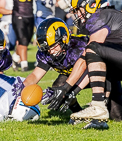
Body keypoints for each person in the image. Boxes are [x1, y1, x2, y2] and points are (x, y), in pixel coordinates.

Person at [44, 0, 122, 128]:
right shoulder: (108, 16)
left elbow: (87, 57)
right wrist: (73, 91)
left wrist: (67, 88)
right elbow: (94, 64)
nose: (77, 14)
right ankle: (99, 113)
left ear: (90, 4)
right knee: (118, 117)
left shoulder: (99, 17)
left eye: (77, 10)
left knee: (93, 48)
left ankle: (98, 106)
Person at [13, 18, 89, 119]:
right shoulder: (47, 52)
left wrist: (69, 90)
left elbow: (89, 70)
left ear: (64, 38)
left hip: (100, 75)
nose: (50, 51)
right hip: (75, 75)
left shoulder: (79, 47)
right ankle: (79, 114)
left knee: (116, 115)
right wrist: (23, 87)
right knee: (58, 87)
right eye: (47, 48)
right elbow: (35, 75)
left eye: (53, 46)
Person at [12, 0, 34, 71]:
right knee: (23, 40)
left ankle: (15, 56)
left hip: (30, 15)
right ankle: (24, 65)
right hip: (19, 15)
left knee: (27, 40)